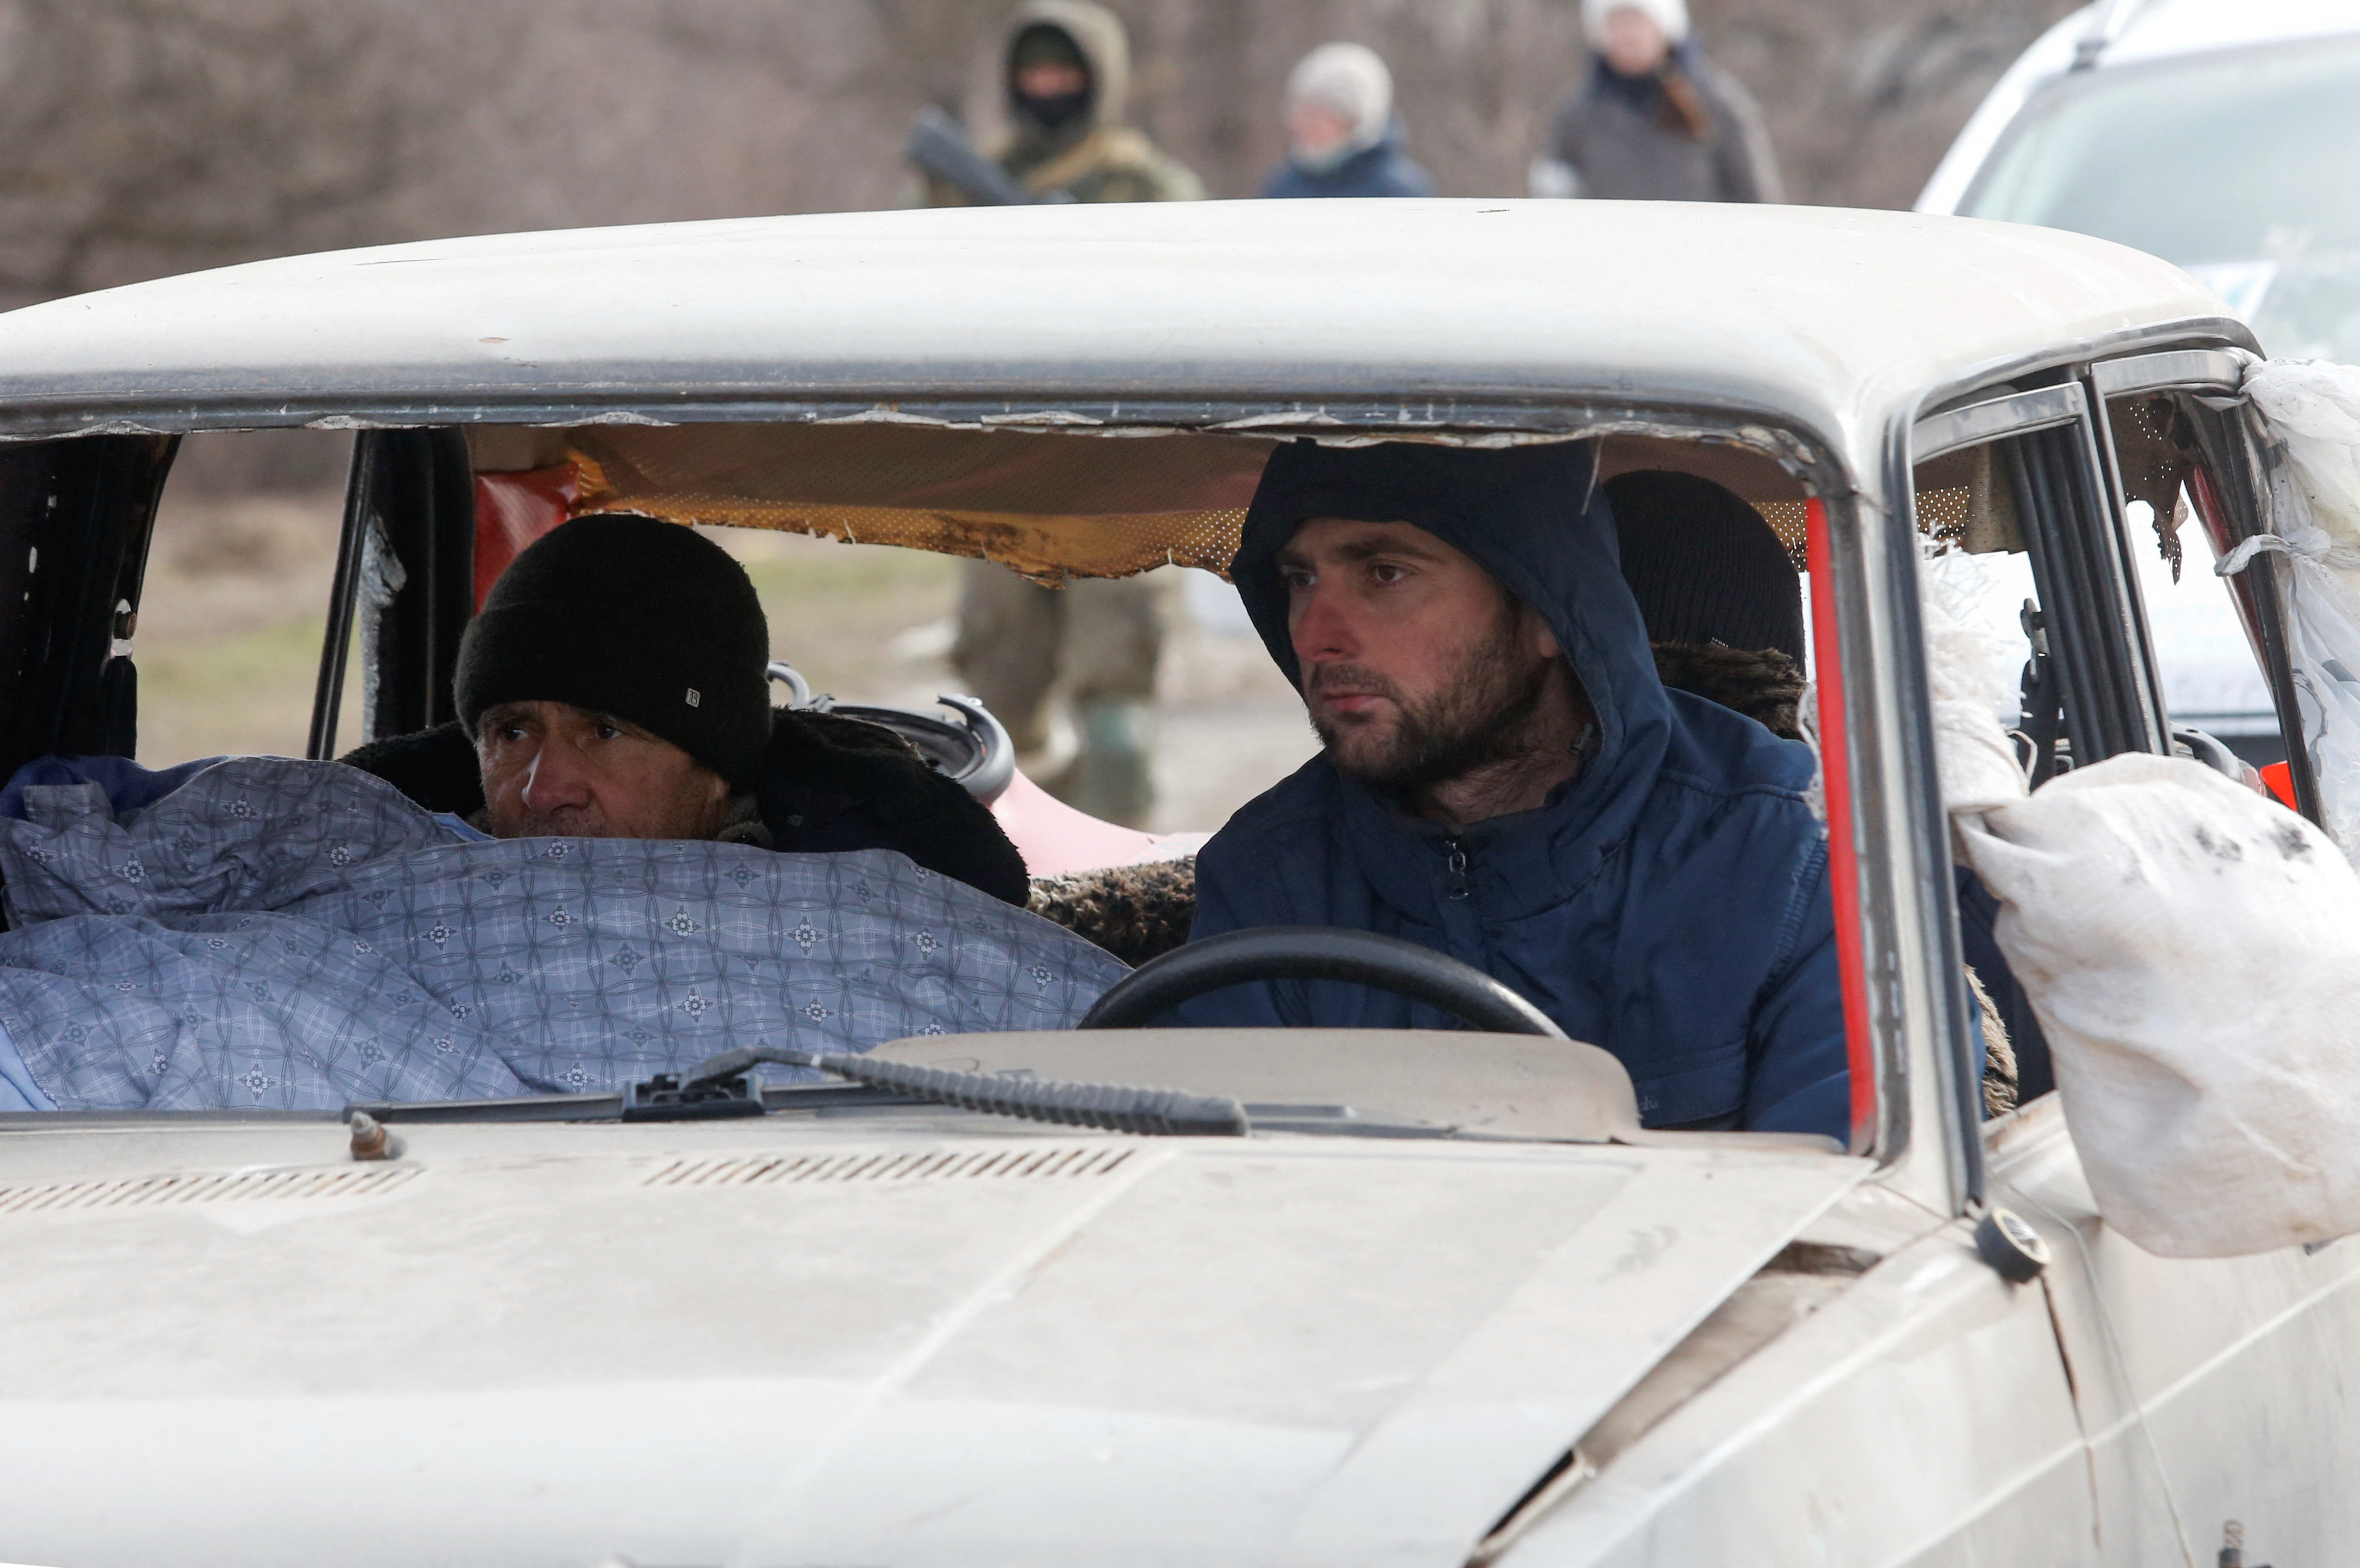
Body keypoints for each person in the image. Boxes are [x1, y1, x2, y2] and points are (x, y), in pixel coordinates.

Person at [1178, 440, 1847, 1140]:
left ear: (1546, 609)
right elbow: (1205, 1201)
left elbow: (1854, 1217)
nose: (1315, 636)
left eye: (1384, 573)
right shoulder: (1266, 877)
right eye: (1300, 581)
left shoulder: (1787, 849)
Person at [341, 513, 1032, 907]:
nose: (543, 789)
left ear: (716, 767)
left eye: (605, 731)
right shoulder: (374, 887)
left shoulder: (879, 907)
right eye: (513, 731)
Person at [935, 0, 1203, 828]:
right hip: (1005, 461)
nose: (1048, 89)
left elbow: (1194, 303)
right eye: (1034, 73)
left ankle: (1120, 885)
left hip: (1118, 465)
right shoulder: (970, 178)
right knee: (991, 707)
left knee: (1117, 707)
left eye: (1065, 73)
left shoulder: (1144, 186)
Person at [1530, 0, 1782, 204]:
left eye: (1637, 23)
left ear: (1663, 27)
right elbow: (1555, 199)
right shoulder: (1579, 113)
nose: (1628, 36)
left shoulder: (1717, 102)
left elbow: (1757, 200)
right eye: (1616, 24)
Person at [1259, 42, 1433, 201]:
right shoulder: (1284, 186)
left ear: (1353, 122)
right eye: (1300, 110)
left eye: (1316, 114)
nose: (1298, 124)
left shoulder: (1398, 192)